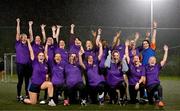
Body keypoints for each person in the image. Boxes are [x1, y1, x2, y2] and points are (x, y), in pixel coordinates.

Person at [23, 39, 56, 106]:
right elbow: (31, 51)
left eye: (42, 55)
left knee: (50, 84)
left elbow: (46, 53)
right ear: (37, 56)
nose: (41, 56)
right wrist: (29, 42)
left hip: (41, 84)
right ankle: (23, 99)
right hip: (34, 85)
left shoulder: (45, 64)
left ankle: (51, 100)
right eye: (40, 55)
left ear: (44, 57)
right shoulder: (34, 62)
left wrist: (47, 76)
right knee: (33, 103)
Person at [125, 40, 146, 104]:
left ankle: (142, 98)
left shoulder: (142, 67)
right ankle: (134, 99)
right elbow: (127, 55)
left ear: (139, 59)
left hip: (138, 84)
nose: (136, 59)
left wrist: (138, 83)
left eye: (137, 58)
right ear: (133, 60)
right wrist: (126, 46)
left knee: (142, 85)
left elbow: (142, 77)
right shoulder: (131, 65)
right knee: (132, 101)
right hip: (131, 85)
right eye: (135, 58)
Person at [15, 18, 31, 101]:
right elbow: (18, 33)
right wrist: (18, 23)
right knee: (20, 81)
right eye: (23, 37)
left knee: (27, 81)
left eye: (25, 37)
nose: (24, 38)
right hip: (20, 65)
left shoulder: (28, 45)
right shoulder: (18, 43)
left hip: (28, 65)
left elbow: (31, 36)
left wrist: (30, 26)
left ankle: (27, 95)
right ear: (20, 38)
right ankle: (18, 95)